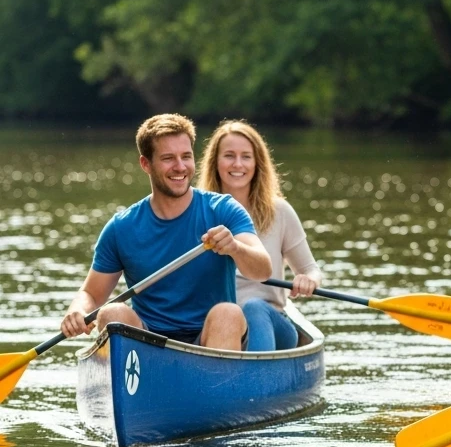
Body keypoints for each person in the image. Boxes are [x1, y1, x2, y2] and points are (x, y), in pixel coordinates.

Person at [61, 114, 272, 350]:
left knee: (229, 313)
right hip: (149, 344)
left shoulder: (223, 209)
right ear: (146, 164)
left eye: (186, 157)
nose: (180, 167)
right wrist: (77, 309)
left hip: (209, 339)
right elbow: (91, 293)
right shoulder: (121, 228)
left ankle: (217, 383)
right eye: (168, 158)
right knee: (112, 313)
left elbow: (262, 270)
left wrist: (235, 248)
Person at [198, 119, 322, 351]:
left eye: (246, 156)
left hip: (271, 322)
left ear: (257, 163)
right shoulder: (199, 212)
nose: (238, 164)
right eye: (229, 156)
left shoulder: (280, 211)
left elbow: (310, 269)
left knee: (254, 308)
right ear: (215, 162)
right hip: (219, 328)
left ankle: (254, 379)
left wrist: (308, 280)